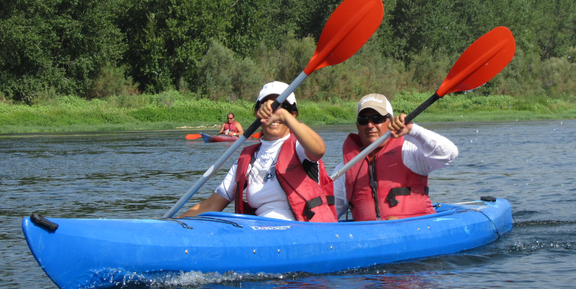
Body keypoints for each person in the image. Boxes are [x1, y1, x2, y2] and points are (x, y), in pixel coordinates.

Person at [179, 81, 338, 222]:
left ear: (293, 114)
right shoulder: (247, 159)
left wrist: (284, 116)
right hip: (262, 233)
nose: (275, 113)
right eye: (268, 107)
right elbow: (212, 204)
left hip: (304, 233)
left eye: (283, 107)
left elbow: (318, 150)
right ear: (257, 112)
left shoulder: (299, 146)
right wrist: (171, 224)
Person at [333, 93, 459, 221]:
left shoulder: (408, 150)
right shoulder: (345, 168)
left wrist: (413, 130)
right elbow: (331, 211)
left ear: (390, 121)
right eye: (363, 120)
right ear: (357, 126)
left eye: (377, 119)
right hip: (368, 234)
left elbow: (449, 154)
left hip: (417, 230)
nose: (370, 125)